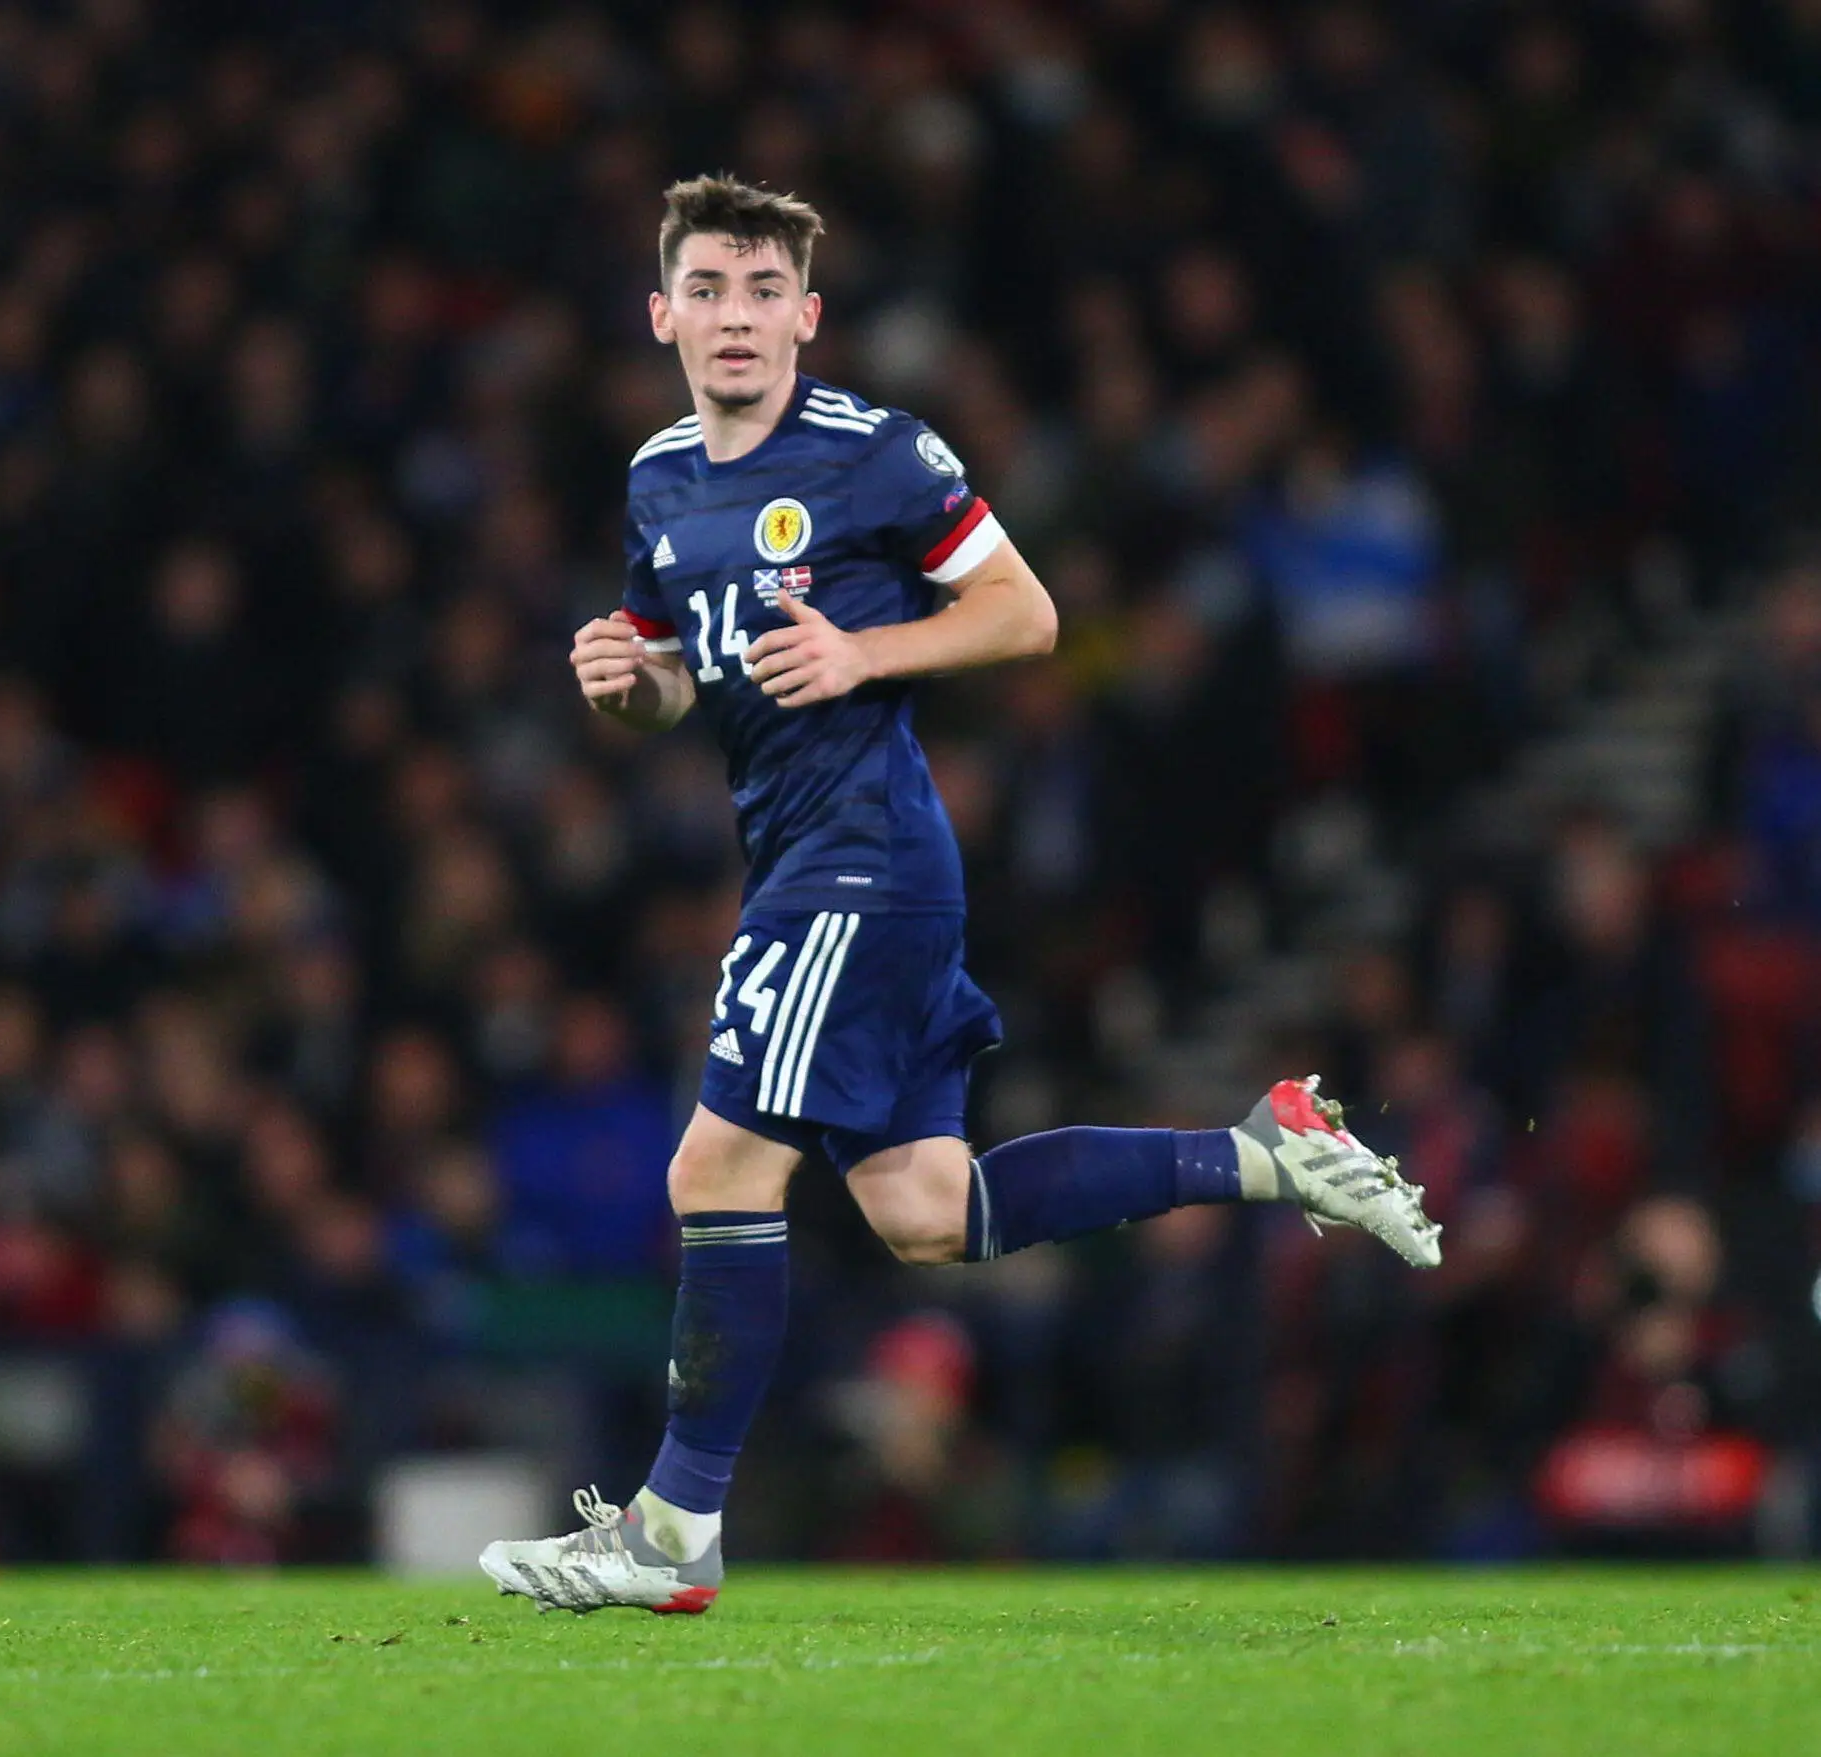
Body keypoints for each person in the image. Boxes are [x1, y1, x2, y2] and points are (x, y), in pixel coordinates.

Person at [479, 177, 1440, 1616]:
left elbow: (1025, 613)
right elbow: (680, 683)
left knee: (714, 1172)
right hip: (816, 857)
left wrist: (866, 654)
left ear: (806, 316)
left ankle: (670, 1537)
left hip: (861, 855)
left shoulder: (875, 452)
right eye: (709, 289)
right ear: (661, 312)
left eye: (763, 291)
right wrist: (627, 686)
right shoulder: (658, 476)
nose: (735, 316)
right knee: (929, 1211)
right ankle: (1262, 1152)